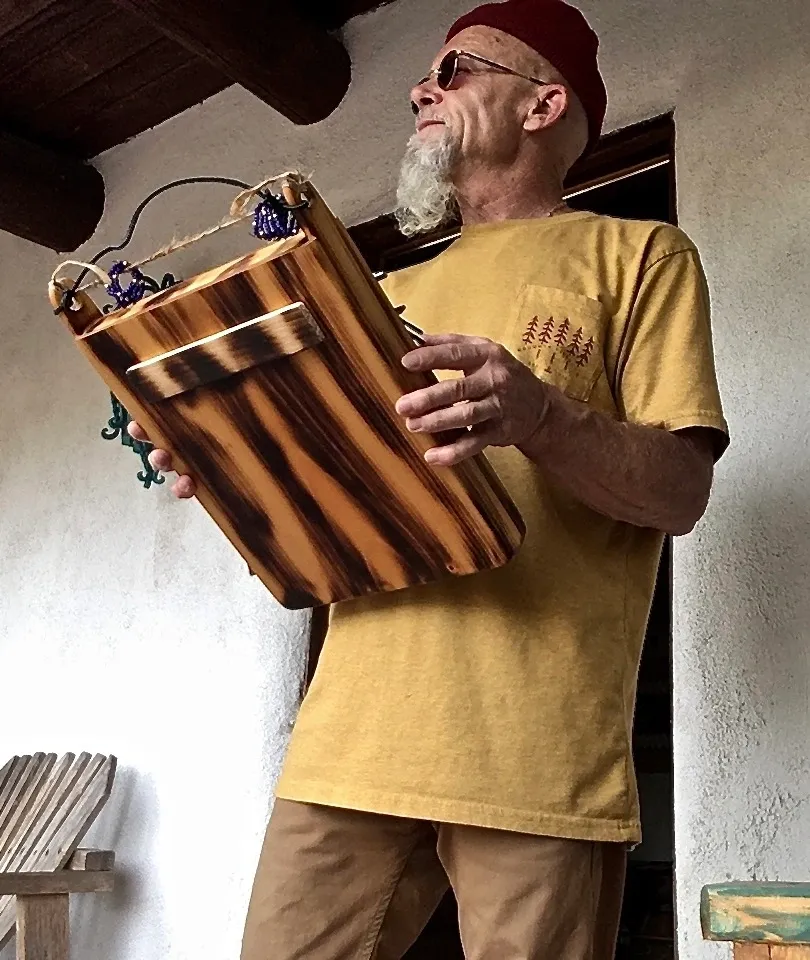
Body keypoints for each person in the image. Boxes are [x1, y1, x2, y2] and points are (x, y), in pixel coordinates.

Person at [131, 0, 729, 956]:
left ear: (541, 105)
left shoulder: (640, 254)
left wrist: (541, 412)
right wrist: (242, 471)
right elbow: (329, 531)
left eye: (454, 70)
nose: (421, 88)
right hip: (346, 741)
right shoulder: (380, 299)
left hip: (535, 747)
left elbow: (680, 493)